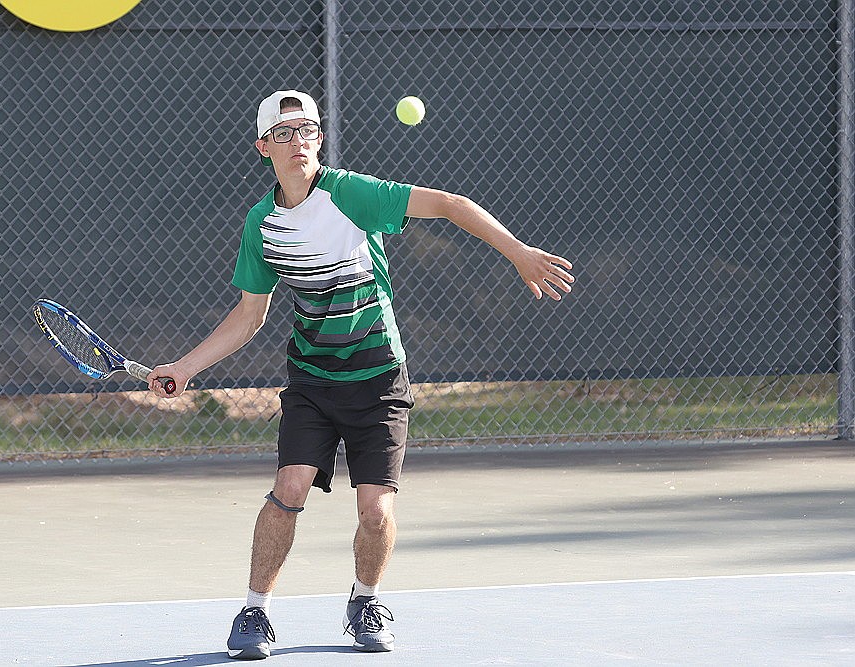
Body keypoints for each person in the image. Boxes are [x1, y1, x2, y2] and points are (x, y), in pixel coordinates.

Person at [147, 89, 575, 659]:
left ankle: (365, 601)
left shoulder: (351, 194)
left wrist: (517, 251)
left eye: (308, 131)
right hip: (312, 383)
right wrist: (185, 366)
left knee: (375, 510)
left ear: (319, 140)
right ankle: (254, 611)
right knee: (289, 487)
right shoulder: (263, 223)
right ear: (263, 147)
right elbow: (250, 314)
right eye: (285, 132)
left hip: (378, 380)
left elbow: (449, 203)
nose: (298, 140)